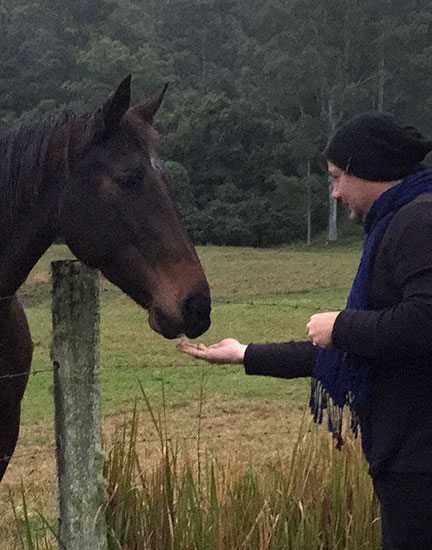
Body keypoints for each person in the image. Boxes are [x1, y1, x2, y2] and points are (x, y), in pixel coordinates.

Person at [178, 111, 432, 550]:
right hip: (408, 459)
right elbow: (359, 348)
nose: (335, 192)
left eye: (337, 177)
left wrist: (342, 325)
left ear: (368, 169)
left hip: (420, 465)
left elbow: (424, 321)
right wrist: (244, 353)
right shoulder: (401, 220)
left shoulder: (418, 221)